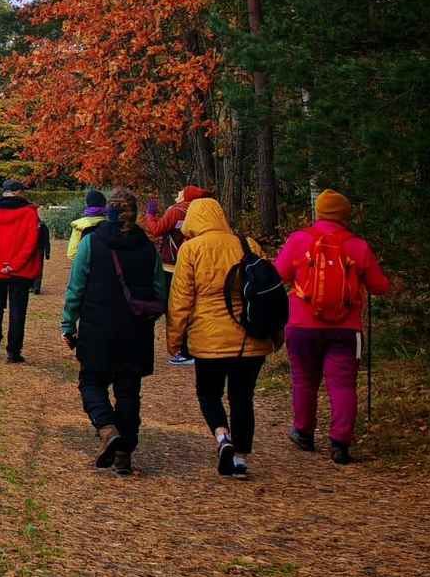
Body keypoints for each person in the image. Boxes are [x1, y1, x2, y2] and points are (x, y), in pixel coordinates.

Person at [274, 189, 391, 464]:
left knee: (304, 380)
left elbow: (278, 274)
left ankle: (303, 432)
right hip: (345, 329)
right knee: (342, 386)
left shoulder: (299, 240)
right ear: (345, 215)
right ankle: (340, 443)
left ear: (319, 212)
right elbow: (379, 286)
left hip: (302, 325)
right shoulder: (358, 246)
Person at [61, 188, 168, 476]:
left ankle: (107, 429)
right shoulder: (148, 248)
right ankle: (124, 455)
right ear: (134, 212)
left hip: (97, 329)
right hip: (136, 332)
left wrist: (68, 324)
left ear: (109, 212)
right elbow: (160, 291)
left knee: (91, 383)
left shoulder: (91, 244)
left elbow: (76, 289)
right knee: (129, 391)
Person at [166, 197, 275, 477]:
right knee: (242, 397)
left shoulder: (191, 250)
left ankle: (221, 436)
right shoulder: (247, 244)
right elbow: (266, 289)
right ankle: (239, 457)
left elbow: (180, 300)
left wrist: (174, 340)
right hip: (249, 338)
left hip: (208, 339)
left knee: (208, 394)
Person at [0, 179, 43, 363]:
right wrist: (14, 264)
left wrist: (1, 262)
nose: (25, 193)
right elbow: (31, 243)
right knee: (18, 308)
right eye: (23, 191)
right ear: (17, 192)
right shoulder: (29, 213)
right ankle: (13, 351)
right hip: (20, 271)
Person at [147, 185, 212, 365]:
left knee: (174, 308)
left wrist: (150, 215)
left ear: (186, 196)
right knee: (193, 308)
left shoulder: (177, 211)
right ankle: (196, 347)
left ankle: (181, 350)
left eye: (181, 192)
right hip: (195, 265)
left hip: (171, 266)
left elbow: (157, 229)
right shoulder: (203, 213)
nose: (177, 194)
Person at [67, 189, 109, 261]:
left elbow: (72, 253)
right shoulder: (110, 225)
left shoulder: (79, 226)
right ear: (104, 204)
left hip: (85, 265)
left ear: (87, 204)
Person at [33, 213, 54, 295]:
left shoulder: (29, 225)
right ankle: (36, 287)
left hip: (31, 251)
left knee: (31, 268)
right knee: (38, 268)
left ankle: (32, 286)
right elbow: (46, 241)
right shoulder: (43, 226)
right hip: (39, 250)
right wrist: (47, 253)